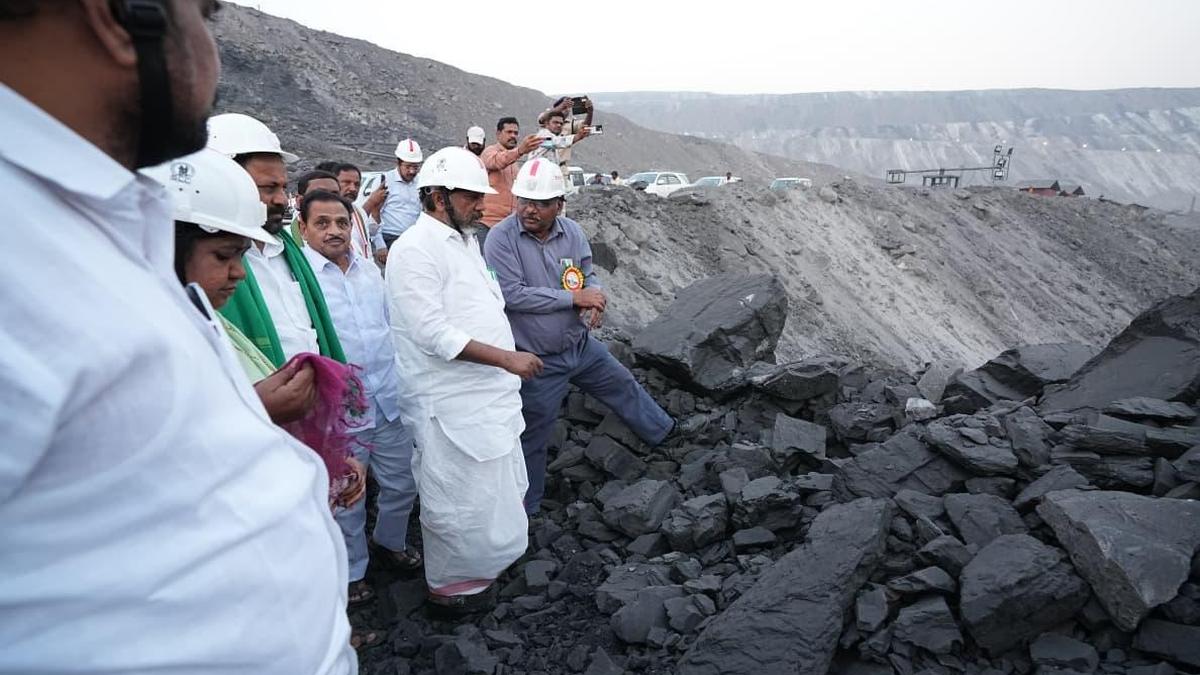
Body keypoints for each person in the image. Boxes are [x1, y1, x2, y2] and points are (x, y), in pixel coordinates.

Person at [0, 2, 355, 672]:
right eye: (206, 17)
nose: (214, 54)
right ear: (116, 15)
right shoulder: (20, 249)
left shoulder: (91, 223)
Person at [386, 147, 543, 614]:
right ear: (438, 196)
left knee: (491, 495)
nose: (481, 205)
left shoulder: (466, 240)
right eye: (471, 197)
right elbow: (433, 333)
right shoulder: (414, 249)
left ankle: (485, 571)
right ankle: (451, 592)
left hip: (487, 400)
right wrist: (507, 359)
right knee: (457, 502)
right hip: (449, 404)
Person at [484, 159, 676, 514]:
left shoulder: (571, 232)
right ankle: (527, 509)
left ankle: (667, 436)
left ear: (559, 204)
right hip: (537, 360)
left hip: (580, 346)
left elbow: (586, 274)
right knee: (533, 435)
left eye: (541, 203)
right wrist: (574, 298)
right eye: (524, 200)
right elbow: (511, 294)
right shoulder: (501, 239)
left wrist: (595, 296)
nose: (529, 209)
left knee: (623, 384)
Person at [297, 189, 423, 619]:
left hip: (387, 399)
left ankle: (390, 542)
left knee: (403, 482)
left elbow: (392, 328)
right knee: (348, 497)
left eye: (341, 222)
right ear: (303, 228)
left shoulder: (369, 271)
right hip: (341, 411)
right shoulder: (301, 280)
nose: (334, 231)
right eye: (322, 223)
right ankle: (352, 573)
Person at [207, 112, 347, 366]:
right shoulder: (203, 267)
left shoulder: (286, 250)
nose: (282, 199)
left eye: (283, 187)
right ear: (223, 182)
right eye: (268, 188)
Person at [480, 116, 542, 227]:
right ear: (498, 134)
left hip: (508, 223)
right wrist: (520, 151)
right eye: (509, 132)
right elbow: (497, 161)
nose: (513, 136)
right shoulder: (489, 152)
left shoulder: (514, 162)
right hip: (488, 223)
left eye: (515, 133)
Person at [372, 138, 423, 249]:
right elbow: (374, 213)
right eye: (408, 167)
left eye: (415, 167)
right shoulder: (385, 181)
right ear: (398, 163)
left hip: (414, 239)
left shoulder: (421, 183)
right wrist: (380, 245)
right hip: (389, 238)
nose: (412, 171)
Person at [333, 162, 388, 265]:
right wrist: (371, 202)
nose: (353, 188)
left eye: (357, 184)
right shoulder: (329, 214)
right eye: (346, 183)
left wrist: (376, 209)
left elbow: (370, 232)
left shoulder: (356, 210)